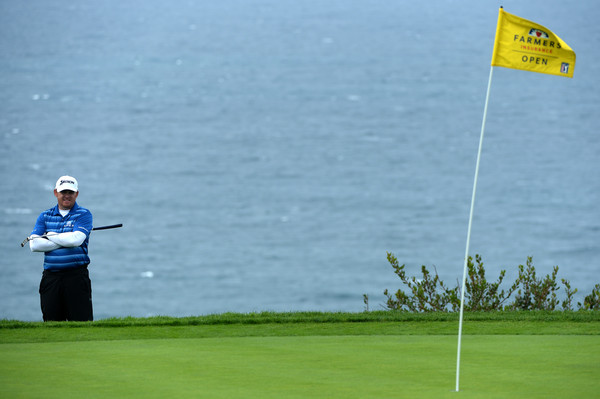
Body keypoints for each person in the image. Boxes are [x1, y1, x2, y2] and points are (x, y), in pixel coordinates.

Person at [28, 175, 94, 321]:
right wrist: (64, 238)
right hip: (51, 278)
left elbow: (77, 240)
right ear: (56, 192)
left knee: (81, 322)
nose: (67, 196)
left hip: (76, 277)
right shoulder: (45, 216)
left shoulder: (83, 214)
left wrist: (50, 235)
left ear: (76, 194)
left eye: (70, 192)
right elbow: (34, 244)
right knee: (51, 322)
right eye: (63, 192)